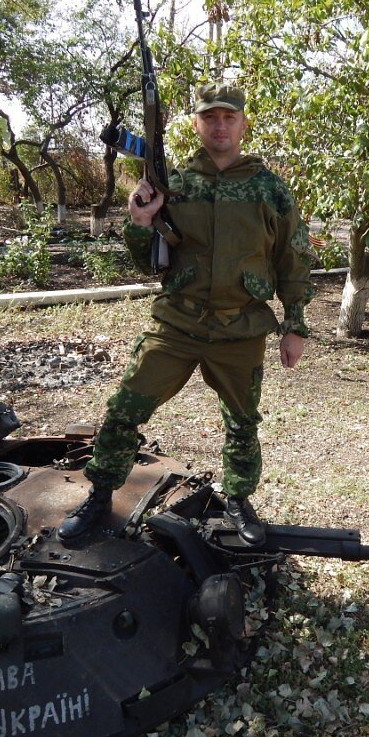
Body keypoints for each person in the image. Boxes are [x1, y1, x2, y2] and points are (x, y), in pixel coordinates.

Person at [58, 83, 313, 546]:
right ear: (195, 124)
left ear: (242, 123)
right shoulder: (173, 184)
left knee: (241, 422)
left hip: (240, 327)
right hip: (177, 323)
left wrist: (294, 324)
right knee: (125, 408)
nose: (220, 125)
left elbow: (293, 257)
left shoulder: (268, 187)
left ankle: (237, 499)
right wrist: (140, 221)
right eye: (210, 117)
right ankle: (99, 495)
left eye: (228, 117)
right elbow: (147, 260)